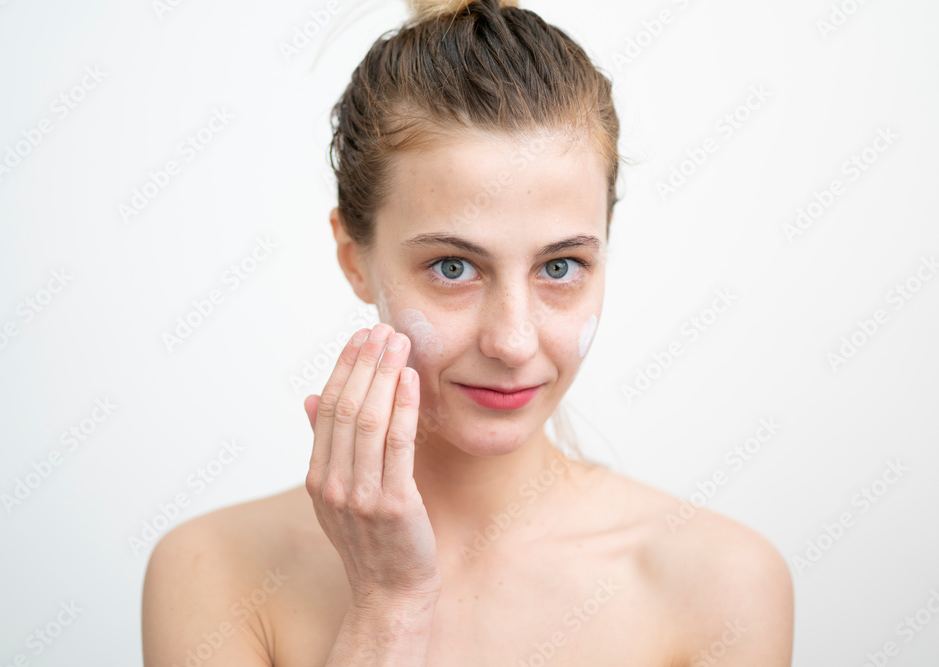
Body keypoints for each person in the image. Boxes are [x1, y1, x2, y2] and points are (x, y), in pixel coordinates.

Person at [141, 0, 794, 664]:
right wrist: (387, 607)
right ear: (354, 259)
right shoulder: (213, 571)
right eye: (453, 267)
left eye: (561, 266)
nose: (512, 341)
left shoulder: (723, 584)